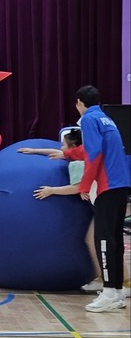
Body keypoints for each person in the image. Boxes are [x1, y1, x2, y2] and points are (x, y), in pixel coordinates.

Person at [20, 130, 130, 296]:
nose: (61, 148)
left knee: (101, 242)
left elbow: (77, 188)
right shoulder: (85, 154)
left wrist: (51, 190)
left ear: (72, 145)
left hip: (105, 203)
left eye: (63, 144)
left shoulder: (77, 164)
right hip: (107, 202)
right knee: (101, 241)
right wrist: (35, 150)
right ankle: (107, 278)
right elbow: (58, 153)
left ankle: (120, 281)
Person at [72, 85, 131, 312]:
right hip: (122, 184)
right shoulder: (107, 119)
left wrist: (85, 185)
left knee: (104, 240)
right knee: (114, 238)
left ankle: (108, 293)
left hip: (108, 185)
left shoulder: (88, 119)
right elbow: (95, 149)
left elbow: (94, 153)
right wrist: (67, 153)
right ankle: (117, 291)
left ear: (79, 102)